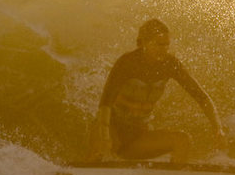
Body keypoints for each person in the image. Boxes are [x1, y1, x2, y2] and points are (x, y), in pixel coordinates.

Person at [89, 19, 225, 164]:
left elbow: (201, 97)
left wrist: (218, 129)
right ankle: (84, 171)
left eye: (166, 45)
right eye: (159, 44)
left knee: (182, 141)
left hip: (138, 136)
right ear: (143, 43)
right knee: (99, 140)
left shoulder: (170, 64)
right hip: (112, 130)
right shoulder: (127, 62)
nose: (164, 49)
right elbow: (105, 103)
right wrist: (105, 136)